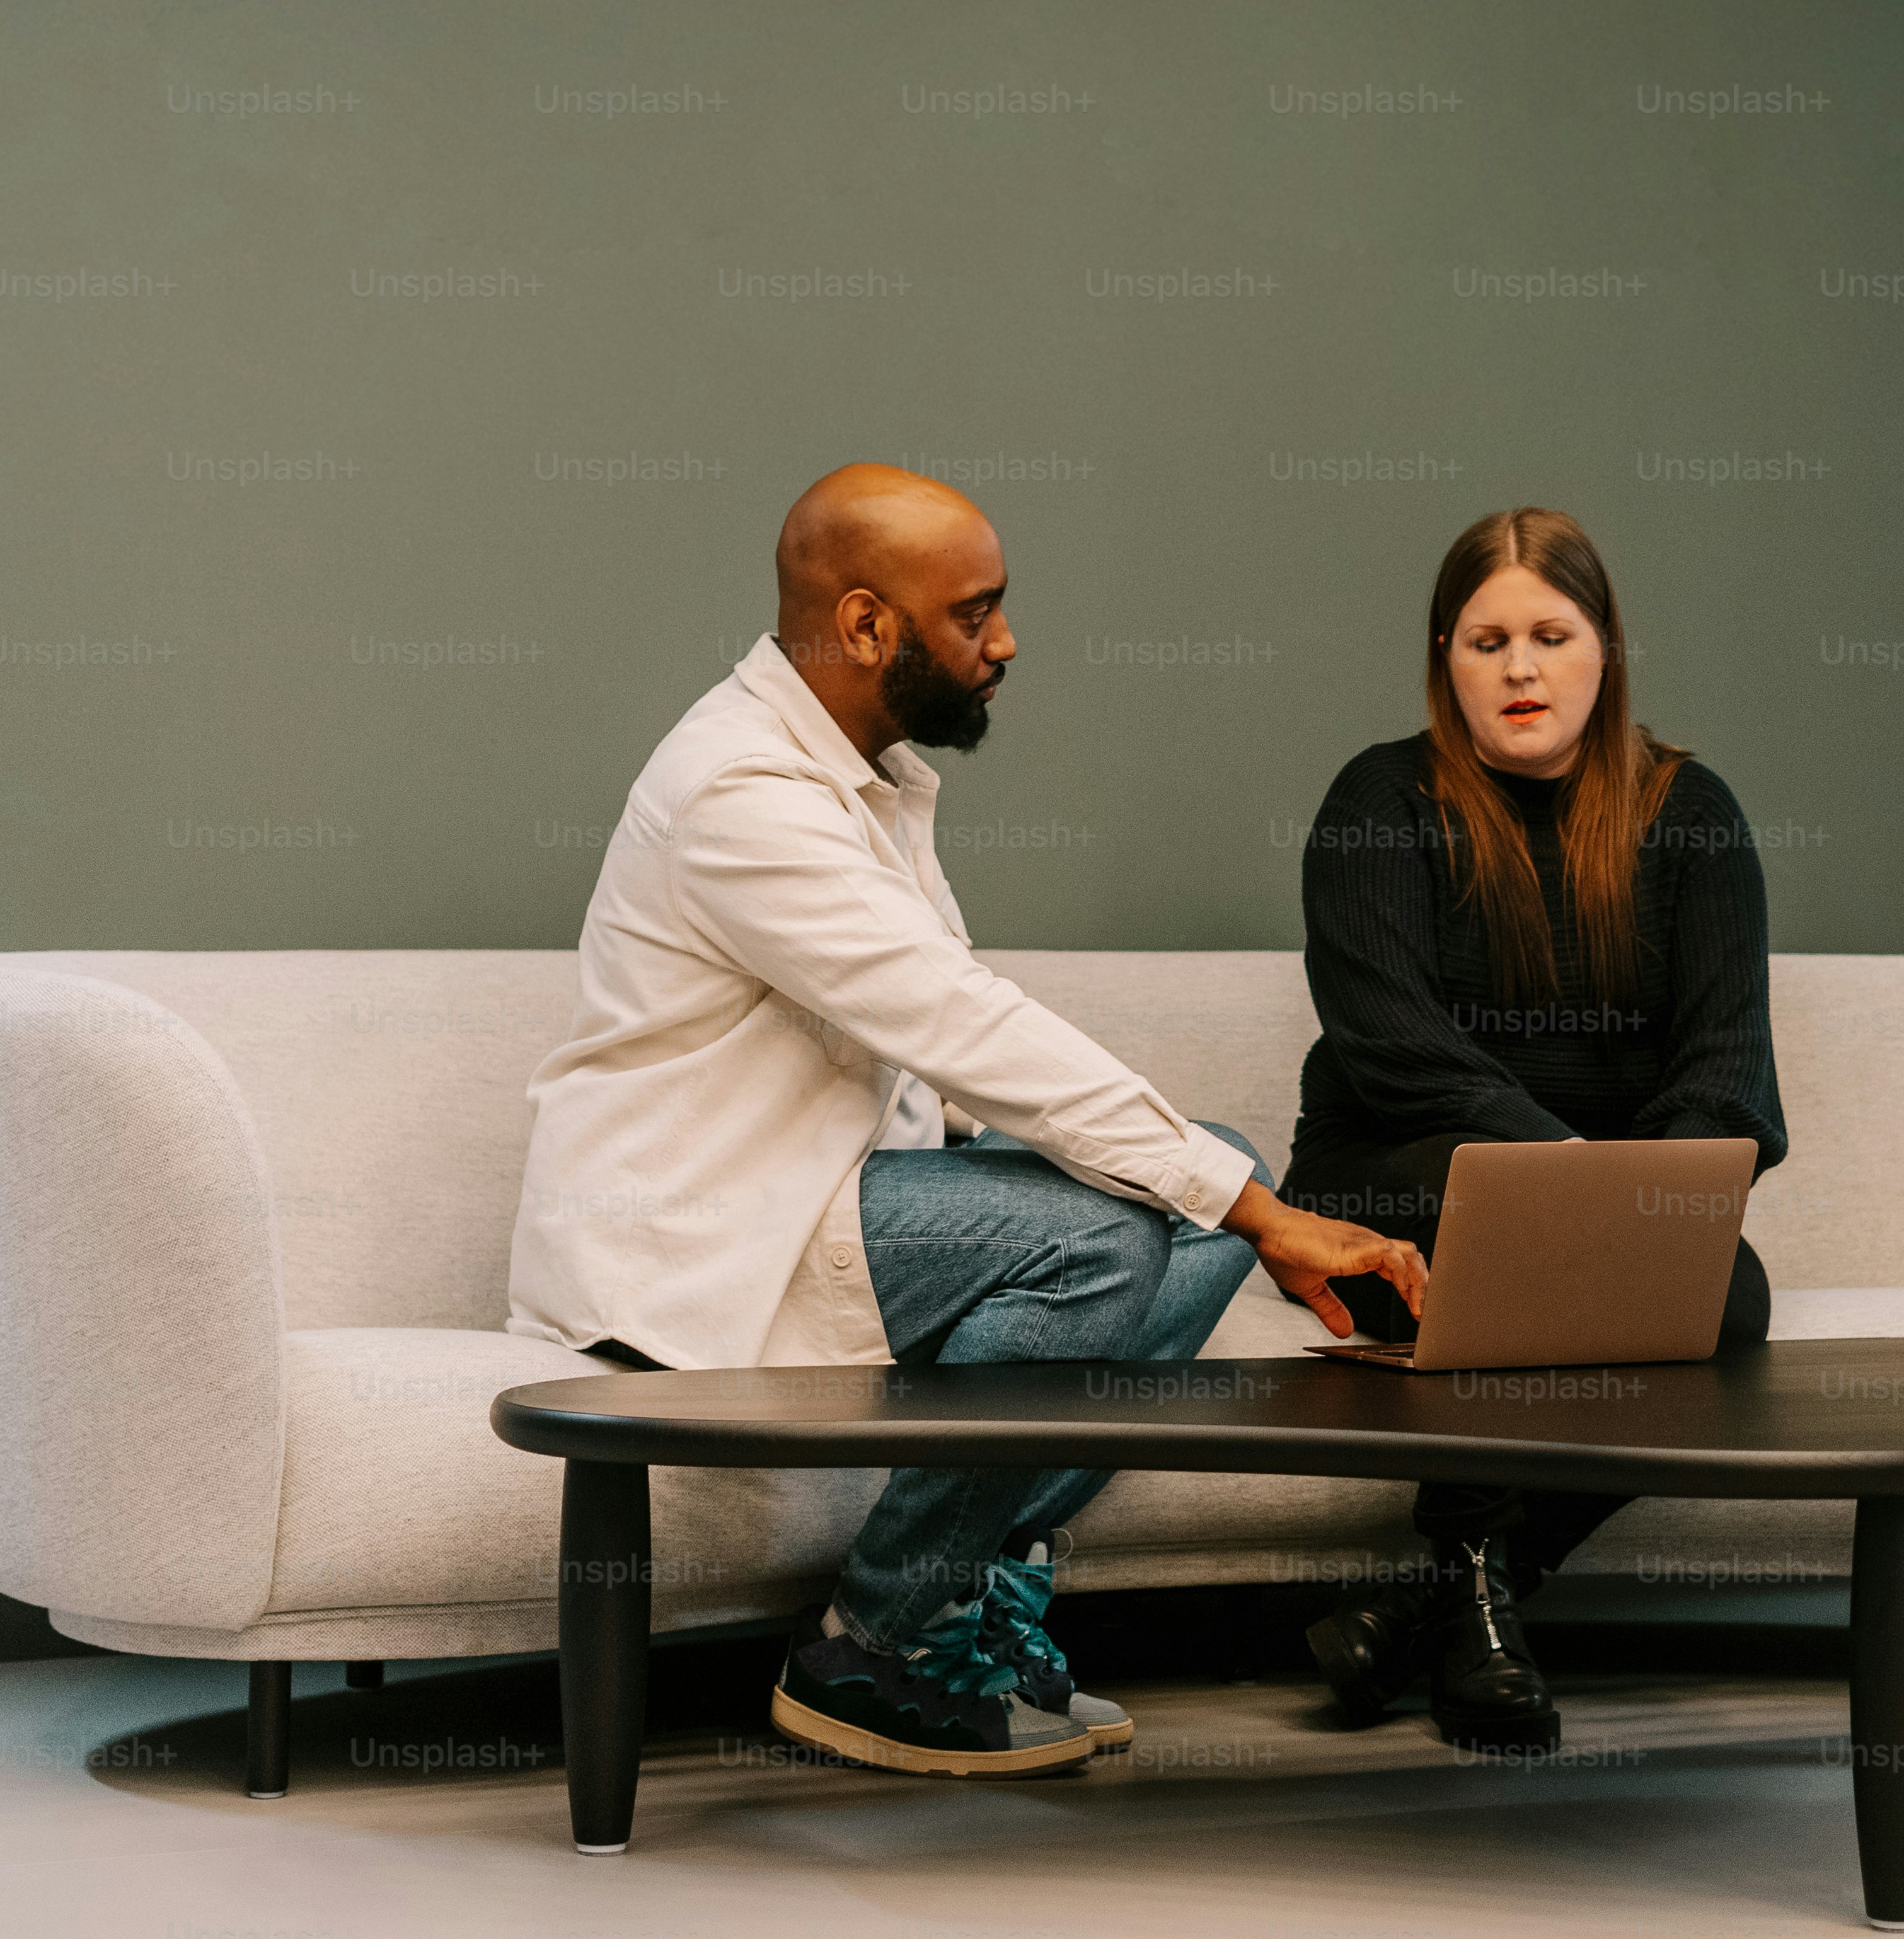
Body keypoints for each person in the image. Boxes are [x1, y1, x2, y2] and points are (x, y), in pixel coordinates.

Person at [506, 463, 1426, 1780]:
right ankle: (877, 1643)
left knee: (1208, 1174)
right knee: (1123, 1233)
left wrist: (1220, 1195)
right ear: (867, 624)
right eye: (975, 613)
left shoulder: (859, 769)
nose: (1006, 643)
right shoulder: (742, 792)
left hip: (831, 1194)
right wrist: (1254, 1215)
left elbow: (930, 1050)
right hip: (706, 1237)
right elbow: (962, 1022)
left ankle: (974, 1573)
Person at [1279, 507, 1787, 1752]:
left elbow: (1726, 1069)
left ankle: (1441, 1598)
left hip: (1597, 1188)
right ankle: (1472, 1619)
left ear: (1604, 646)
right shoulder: (1379, 800)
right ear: (1443, 657)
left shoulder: (1691, 814)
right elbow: (1392, 1048)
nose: (1520, 669)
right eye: (1486, 640)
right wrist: (1560, 1175)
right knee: (1499, 1239)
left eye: (1550, 636)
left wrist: (1636, 1197)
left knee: (1727, 1298)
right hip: (1388, 1176)